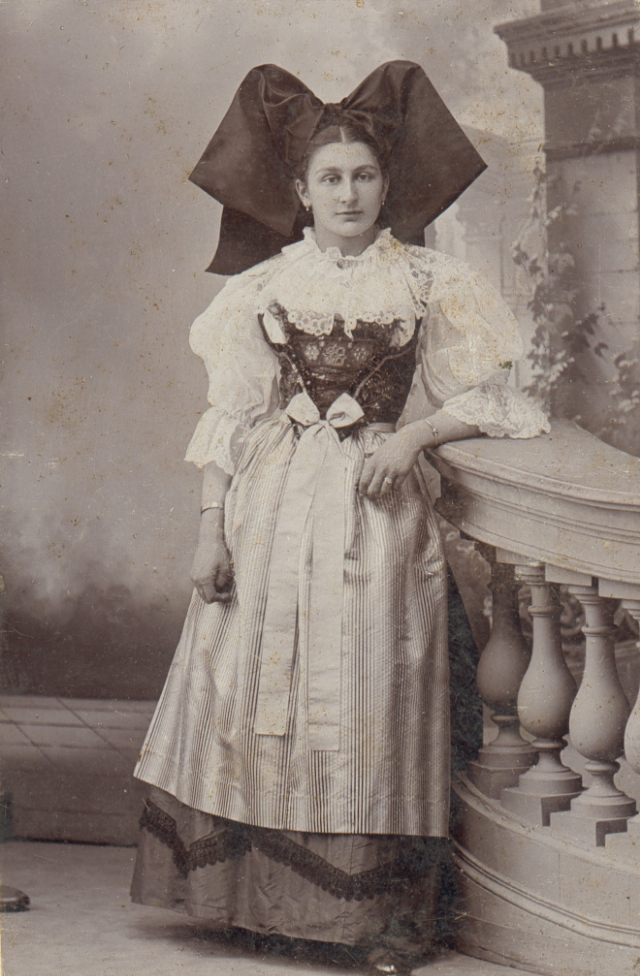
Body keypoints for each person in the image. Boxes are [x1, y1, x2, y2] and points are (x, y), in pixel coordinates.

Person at [131, 62, 549, 975]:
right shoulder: (263, 287)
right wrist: (210, 529)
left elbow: (498, 398)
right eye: (331, 178)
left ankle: (375, 919)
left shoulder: (429, 280)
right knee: (252, 687)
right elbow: (231, 416)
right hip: (269, 507)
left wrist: (417, 436)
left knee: (371, 693)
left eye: (364, 175)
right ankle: (254, 904)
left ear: (387, 185)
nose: (349, 194)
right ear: (301, 192)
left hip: (375, 510)